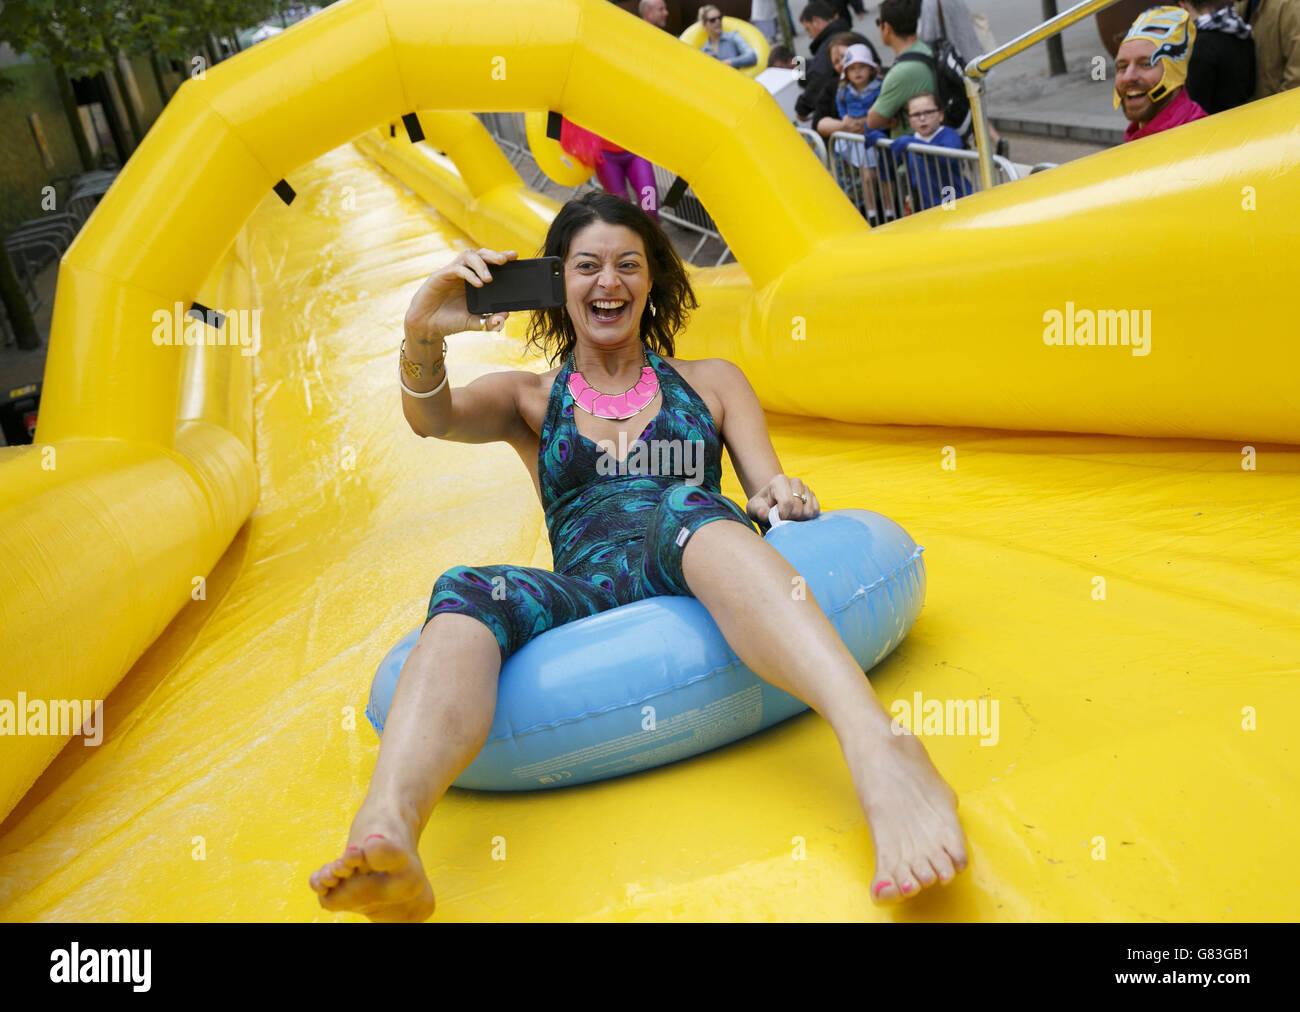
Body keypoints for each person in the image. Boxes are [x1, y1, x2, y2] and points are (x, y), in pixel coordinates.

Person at [308, 192, 970, 920]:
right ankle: (388, 829)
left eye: (628, 264)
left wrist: (784, 498)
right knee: (465, 587)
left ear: (653, 278)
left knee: (684, 504)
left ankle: (881, 752)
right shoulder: (531, 397)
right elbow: (429, 417)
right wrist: (420, 330)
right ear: (559, 284)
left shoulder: (713, 383)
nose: (608, 283)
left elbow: (765, 494)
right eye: (587, 266)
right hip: (584, 589)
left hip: (687, 548)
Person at [1114, 6, 1208, 142]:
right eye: (1122, 67)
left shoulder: (1197, 140)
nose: (1128, 77)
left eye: (1146, 64)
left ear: (1175, 73)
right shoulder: (1140, 132)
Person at [795, 1, 880, 120]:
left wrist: (802, 108)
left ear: (816, 21)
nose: (809, 36)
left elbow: (819, 76)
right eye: (836, 62)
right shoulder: (859, 36)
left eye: (808, 29)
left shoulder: (827, 48)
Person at [890, 91, 972, 211]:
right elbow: (890, 165)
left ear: (940, 115)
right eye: (916, 114)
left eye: (928, 112)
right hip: (926, 206)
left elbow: (945, 157)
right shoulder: (910, 140)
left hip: (954, 202)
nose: (922, 118)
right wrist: (879, 141)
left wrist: (914, 145)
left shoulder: (949, 135)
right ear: (909, 120)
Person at [867, 0, 937, 138]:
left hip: (914, 155)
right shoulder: (924, 49)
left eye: (878, 23)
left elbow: (873, 121)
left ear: (886, 28)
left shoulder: (901, 72)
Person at [1179, 0, 1255, 113]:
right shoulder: (1242, 32)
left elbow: (1196, 104)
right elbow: (1251, 86)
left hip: (1212, 126)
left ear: (1184, 7)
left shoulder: (1199, 45)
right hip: (1243, 118)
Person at [1233, 0, 1300, 98]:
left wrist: (1279, 108)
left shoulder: (1291, 5)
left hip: (1275, 106)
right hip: (1250, 105)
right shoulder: (1242, 4)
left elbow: (1296, 75)